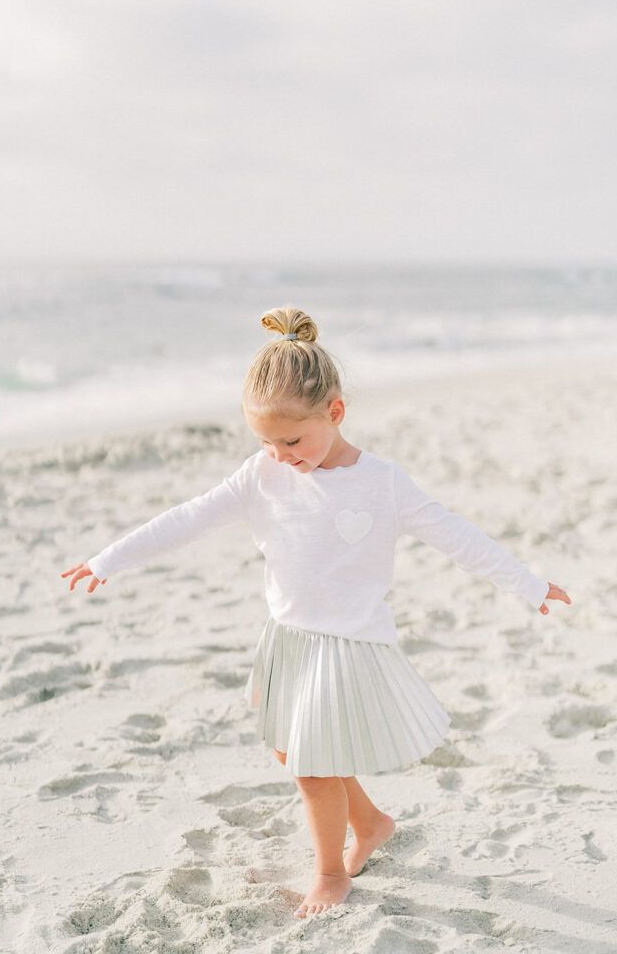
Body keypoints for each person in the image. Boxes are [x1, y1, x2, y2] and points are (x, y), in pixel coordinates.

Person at [62, 305, 571, 919]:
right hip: (289, 640)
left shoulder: (381, 483)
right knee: (293, 750)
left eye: (292, 439)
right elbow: (189, 518)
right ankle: (374, 821)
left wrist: (529, 583)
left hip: (349, 645)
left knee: (311, 768)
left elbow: (455, 535)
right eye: (266, 441)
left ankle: (330, 871)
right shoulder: (263, 475)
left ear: (334, 412)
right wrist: (110, 558)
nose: (280, 454)